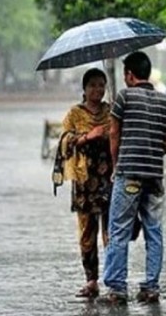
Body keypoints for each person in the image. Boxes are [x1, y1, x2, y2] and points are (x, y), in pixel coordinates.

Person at [98, 51, 166, 305]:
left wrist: (116, 165)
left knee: (119, 230)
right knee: (154, 231)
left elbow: (114, 135)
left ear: (130, 75)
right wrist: (155, 152)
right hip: (154, 177)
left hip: (129, 174)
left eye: (125, 75)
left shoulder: (124, 97)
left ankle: (117, 289)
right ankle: (151, 287)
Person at [53, 68, 113, 298]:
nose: (97, 90)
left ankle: (113, 277)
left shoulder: (111, 111)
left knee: (111, 232)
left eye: (101, 85)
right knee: (87, 231)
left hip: (109, 179)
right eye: (93, 85)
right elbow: (64, 142)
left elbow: (120, 136)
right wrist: (89, 136)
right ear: (84, 89)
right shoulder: (75, 114)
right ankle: (91, 281)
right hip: (84, 181)